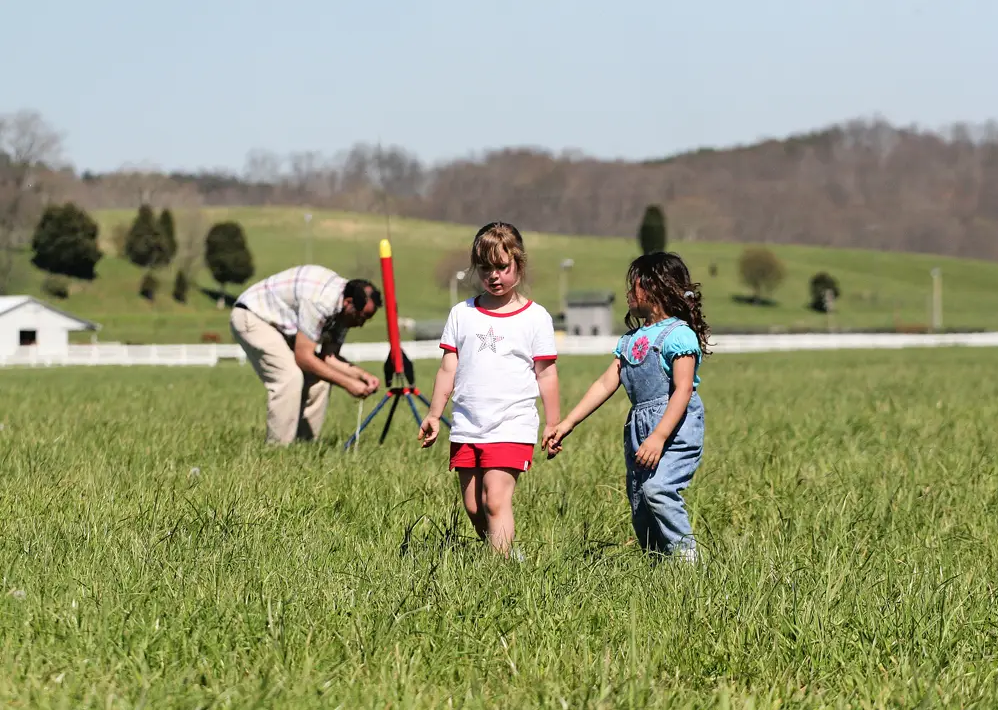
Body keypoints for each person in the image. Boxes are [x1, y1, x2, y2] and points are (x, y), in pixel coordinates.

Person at [542, 252, 712, 563]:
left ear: (656, 288)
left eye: (633, 286)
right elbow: (606, 383)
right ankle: (657, 564)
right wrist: (568, 423)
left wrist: (659, 436)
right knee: (640, 504)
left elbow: (683, 390)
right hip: (639, 427)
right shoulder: (631, 340)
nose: (628, 293)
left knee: (658, 490)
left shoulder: (679, 335)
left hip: (674, 427)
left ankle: (688, 561)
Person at [417, 222, 560, 559]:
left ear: (519, 265)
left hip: (512, 424)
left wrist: (553, 423)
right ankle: (506, 552)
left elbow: (547, 373)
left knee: (495, 500)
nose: (494, 275)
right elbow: (448, 367)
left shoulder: (536, 318)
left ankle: (498, 573)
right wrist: (435, 415)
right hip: (467, 424)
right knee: (474, 506)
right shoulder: (461, 314)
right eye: (485, 268)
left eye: (502, 267)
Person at [230, 264, 383, 445]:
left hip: (282, 327)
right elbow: (304, 358)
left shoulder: (344, 312)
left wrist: (361, 376)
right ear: (348, 302)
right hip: (253, 316)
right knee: (289, 377)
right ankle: (277, 451)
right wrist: (348, 384)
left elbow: (329, 358)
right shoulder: (321, 301)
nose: (361, 324)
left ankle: (304, 446)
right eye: (361, 317)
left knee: (320, 382)